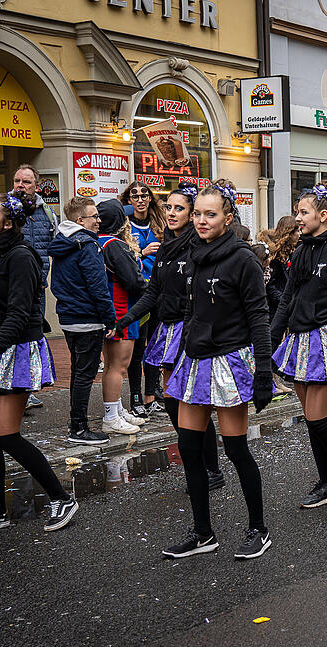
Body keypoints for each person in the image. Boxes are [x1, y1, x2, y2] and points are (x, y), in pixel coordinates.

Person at [162, 181, 273, 559]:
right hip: (196, 361)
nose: (202, 220)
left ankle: (258, 528)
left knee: (237, 449)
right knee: (190, 448)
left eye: (211, 214)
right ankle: (202, 533)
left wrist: (263, 372)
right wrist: (185, 348)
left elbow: (259, 315)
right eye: (198, 214)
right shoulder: (195, 252)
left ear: (228, 217)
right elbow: (191, 308)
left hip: (229, 360)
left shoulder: (243, 259)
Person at [0, 191, 76, 534]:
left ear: (8, 223)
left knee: (6, 435)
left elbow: (19, 314)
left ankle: (61, 497)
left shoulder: (21, 256)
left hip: (15, 349)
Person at [117, 181, 225, 490]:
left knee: (193, 403)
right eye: (169, 207)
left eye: (180, 208)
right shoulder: (165, 246)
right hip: (167, 331)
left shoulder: (198, 247)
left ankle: (211, 469)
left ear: (192, 214)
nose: (172, 213)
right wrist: (125, 319)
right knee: (176, 404)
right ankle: (195, 464)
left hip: (191, 330)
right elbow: (153, 293)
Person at [271, 180, 327, 508]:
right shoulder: (300, 249)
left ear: (323, 215)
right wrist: (272, 338)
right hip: (298, 340)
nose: (297, 217)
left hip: (326, 341)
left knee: (316, 417)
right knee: (310, 418)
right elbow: (288, 300)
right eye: (297, 212)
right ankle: (325, 480)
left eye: (303, 212)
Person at [49, 197, 116, 445]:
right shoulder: (87, 245)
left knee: (79, 371)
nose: (99, 220)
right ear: (80, 220)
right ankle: (78, 428)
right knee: (85, 374)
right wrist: (110, 319)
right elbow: (98, 287)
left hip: (68, 317)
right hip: (88, 318)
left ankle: (76, 423)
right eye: (94, 216)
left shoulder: (62, 242)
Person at [97, 200, 147, 436]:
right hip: (123, 310)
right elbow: (133, 280)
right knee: (119, 366)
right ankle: (111, 416)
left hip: (112, 310)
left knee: (110, 365)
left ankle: (116, 409)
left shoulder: (99, 242)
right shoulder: (115, 245)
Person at [120, 181, 166, 416]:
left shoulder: (159, 222)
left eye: (144, 195)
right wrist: (141, 252)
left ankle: (152, 394)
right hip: (137, 293)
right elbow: (118, 255)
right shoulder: (124, 225)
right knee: (137, 347)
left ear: (150, 199)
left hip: (159, 289)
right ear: (128, 200)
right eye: (134, 195)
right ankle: (136, 397)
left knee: (157, 343)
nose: (140, 199)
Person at [12, 165, 55, 411]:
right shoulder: (4, 208)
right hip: (14, 288)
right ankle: (15, 388)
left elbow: (53, 246)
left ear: (36, 186)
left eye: (26, 181)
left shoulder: (46, 212)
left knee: (32, 339)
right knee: (13, 337)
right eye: (17, 180)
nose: (21, 185)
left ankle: (27, 389)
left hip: (37, 287)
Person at [264, 215, 300, 319]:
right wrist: (285, 301)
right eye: (296, 231)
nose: (299, 234)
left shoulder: (295, 251)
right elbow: (270, 285)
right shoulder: (274, 255)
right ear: (288, 233)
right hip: (276, 309)